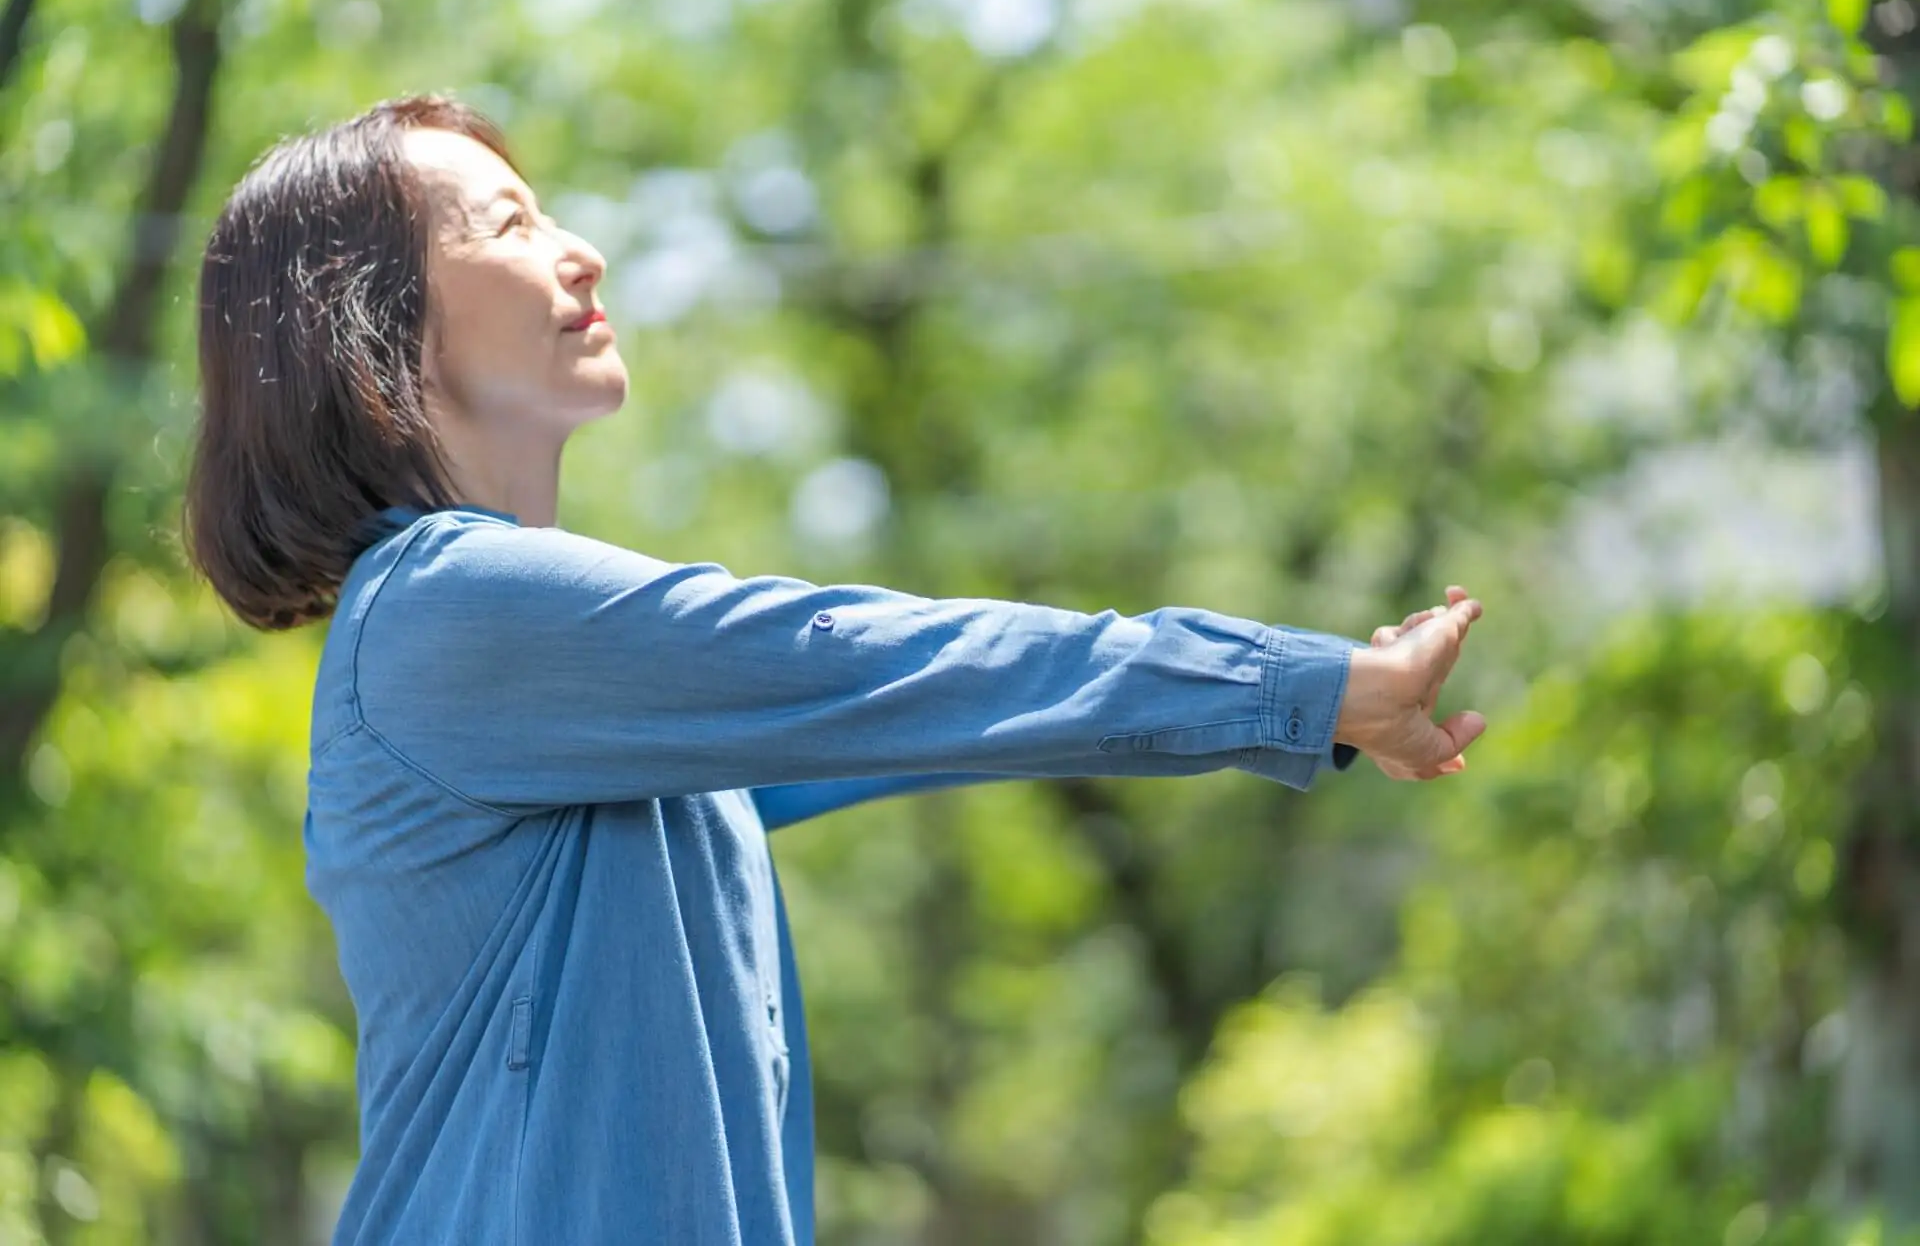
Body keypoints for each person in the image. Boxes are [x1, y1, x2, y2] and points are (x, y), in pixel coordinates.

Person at [181, 93, 1487, 1246]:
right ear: (367, 316)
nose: (580, 252)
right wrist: (1307, 690)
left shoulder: (565, 686)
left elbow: (921, 708)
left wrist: (1298, 702)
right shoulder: (447, 613)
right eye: (509, 226)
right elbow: (889, 669)